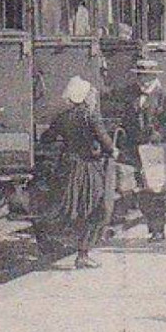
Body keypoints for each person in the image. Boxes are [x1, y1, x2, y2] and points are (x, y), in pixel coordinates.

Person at [38, 76, 117, 268]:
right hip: (88, 168)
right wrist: (112, 150)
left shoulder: (63, 117)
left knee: (68, 207)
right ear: (85, 96)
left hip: (67, 168)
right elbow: (105, 141)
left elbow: (46, 138)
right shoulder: (91, 116)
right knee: (92, 208)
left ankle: (51, 239)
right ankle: (83, 255)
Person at [120, 57, 166, 243]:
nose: (143, 80)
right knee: (141, 190)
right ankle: (150, 224)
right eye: (140, 76)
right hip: (135, 148)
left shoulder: (165, 97)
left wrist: (161, 134)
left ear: (154, 76)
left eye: (147, 76)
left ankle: (158, 229)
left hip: (156, 149)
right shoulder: (130, 95)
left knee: (156, 190)